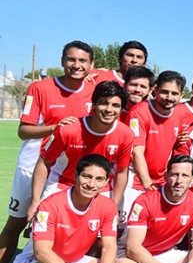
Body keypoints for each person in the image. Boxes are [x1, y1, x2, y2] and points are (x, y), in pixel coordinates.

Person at [0, 41, 97, 263]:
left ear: (91, 65)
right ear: (63, 60)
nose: (76, 65)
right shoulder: (40, 88)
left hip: (65, 174)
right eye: (71, 59)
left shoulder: (94, 91)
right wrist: (55, 127)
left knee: (58, 231)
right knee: (17, 223)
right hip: (33, 166)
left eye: (83, 61)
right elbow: (24, 131)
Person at [12, 155, 119, 263]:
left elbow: (109, 247)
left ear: (106, 182)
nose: (92, 184)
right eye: (87, 176)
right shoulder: (51, 204)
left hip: (72, 261)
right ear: (76, 175)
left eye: (99, 179)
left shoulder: (107, 206)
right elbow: (42, 253)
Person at [30, 81, 133, 213]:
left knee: (101, 231)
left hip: (100, 188)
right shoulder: (68, 129)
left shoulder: (126, 134)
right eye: (103, 103)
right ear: (94, 105)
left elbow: (121, 172)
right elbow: (44, 162)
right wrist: (35, 201)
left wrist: (114, 205)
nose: (109, 109)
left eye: (115, 105)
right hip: (63, 184)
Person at [122, 70, 187, 225]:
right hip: (135, 181)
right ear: (155, 90)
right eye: (164, 92)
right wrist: (147, 184)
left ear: (181, 95)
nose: (169, 98)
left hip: (161, 182)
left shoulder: (179, 114)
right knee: (125, 229)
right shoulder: (139, 112)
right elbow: (136, 152)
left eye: (174, 93)